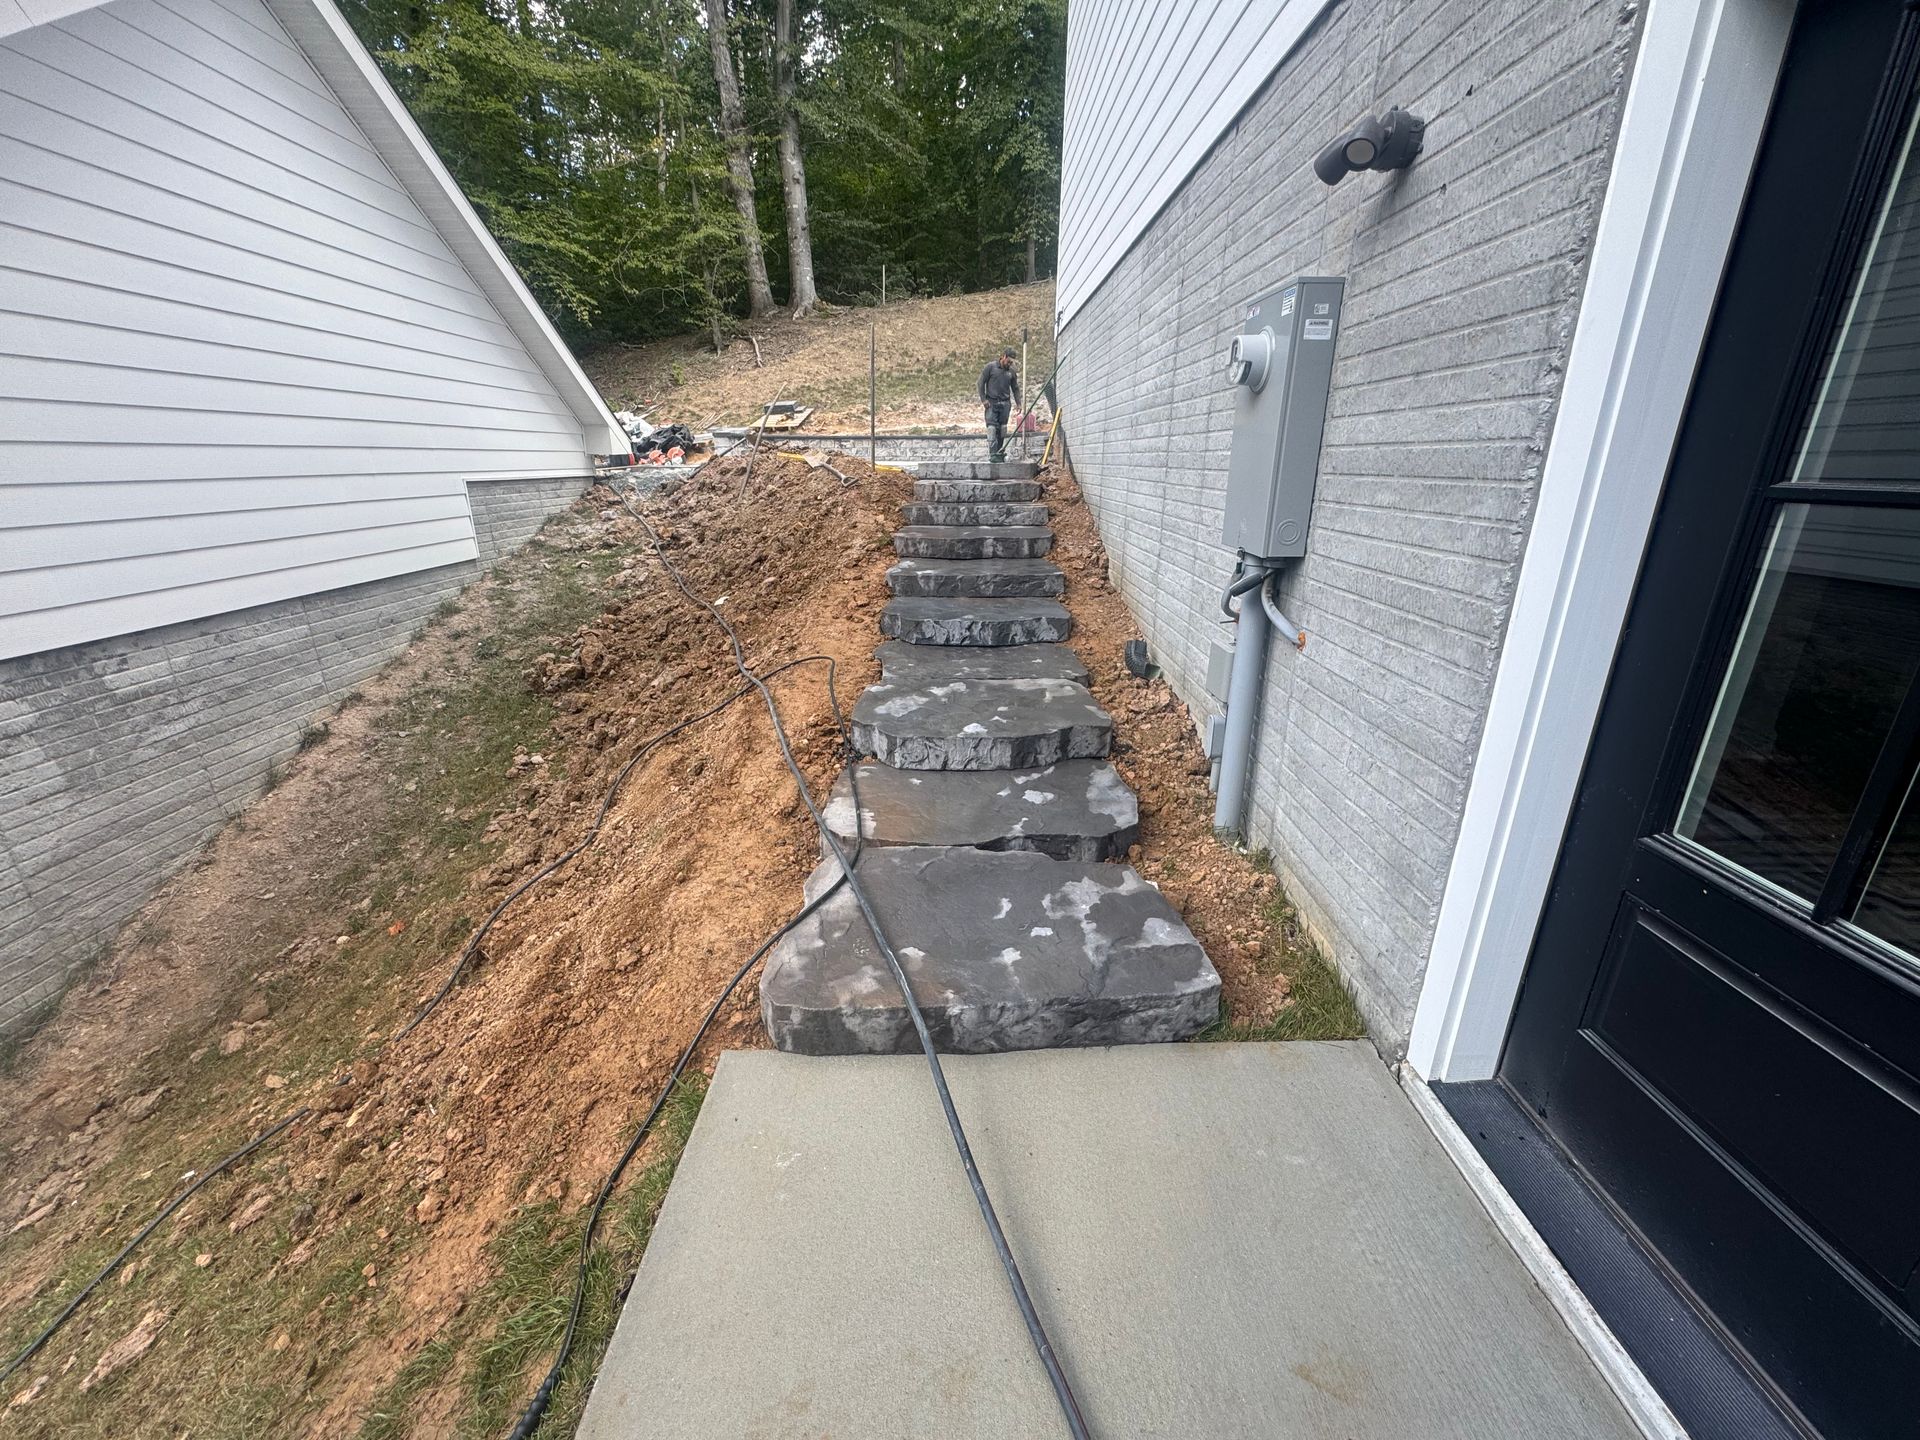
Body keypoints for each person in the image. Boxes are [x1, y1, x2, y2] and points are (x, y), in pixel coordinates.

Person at [978, 348, 1021, 461]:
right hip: (991, 403)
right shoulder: (990, 367)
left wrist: (1019, 403)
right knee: (992, 429)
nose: (1010, 364)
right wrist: (983, 399)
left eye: (1012, 363)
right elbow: (980, 383)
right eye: (1009, 361)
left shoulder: (1011, 372)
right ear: (1004, 356)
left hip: (1005, 404)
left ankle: (1000, 452)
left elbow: (1015, 388)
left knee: (1002, 430)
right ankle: (993, 454)